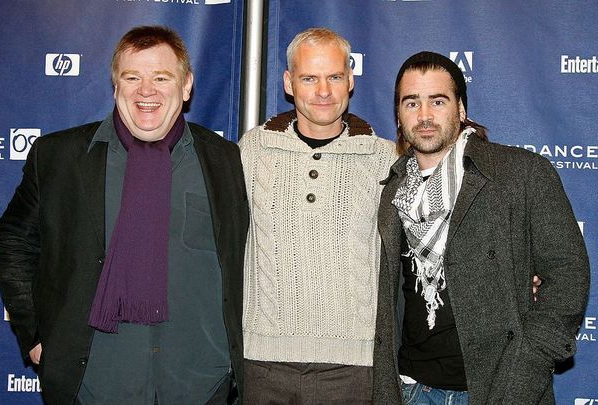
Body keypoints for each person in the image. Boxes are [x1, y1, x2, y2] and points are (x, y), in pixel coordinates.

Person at [0, 26, 248, 405]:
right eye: (133, 77)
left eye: (161, 77)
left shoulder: (225, 160)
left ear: (187, 85)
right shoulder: (58, 158)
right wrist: (33, 333)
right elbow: (14, 240)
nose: (147, 91)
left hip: (200, 383)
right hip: (93, 384)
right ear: (116, 86)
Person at [372, 51, 590, 404]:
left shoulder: (520, 173)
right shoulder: (395, 189)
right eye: (411, 103)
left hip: (497, 388)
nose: (424, 116)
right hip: (410, 388)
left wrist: (528, 367)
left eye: (437, 101)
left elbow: (567, 273)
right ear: (398, 115)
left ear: (460, 110)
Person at [239, 28, 397, 403]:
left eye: (334, 77)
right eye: (309, 78)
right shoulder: (252, 150)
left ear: (350, 80)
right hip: (263, 362)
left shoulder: (385, 157)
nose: (323, 91)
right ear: (289, 83)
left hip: (354, 368)